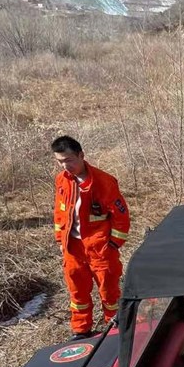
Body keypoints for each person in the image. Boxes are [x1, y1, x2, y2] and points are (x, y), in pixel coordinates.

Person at [51, 135, 130, 340]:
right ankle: (81, 330)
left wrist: (113, 244)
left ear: (81, 155)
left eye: (69, 160)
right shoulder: (62, 180)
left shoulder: (104, 182)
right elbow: (60, 212)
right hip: (73, 248)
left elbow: (121, 217)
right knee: (77, 293)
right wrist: (61, 240)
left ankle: (115, 331)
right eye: (60, 161)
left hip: (100, 248)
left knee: (109, 293)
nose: (65, 166)